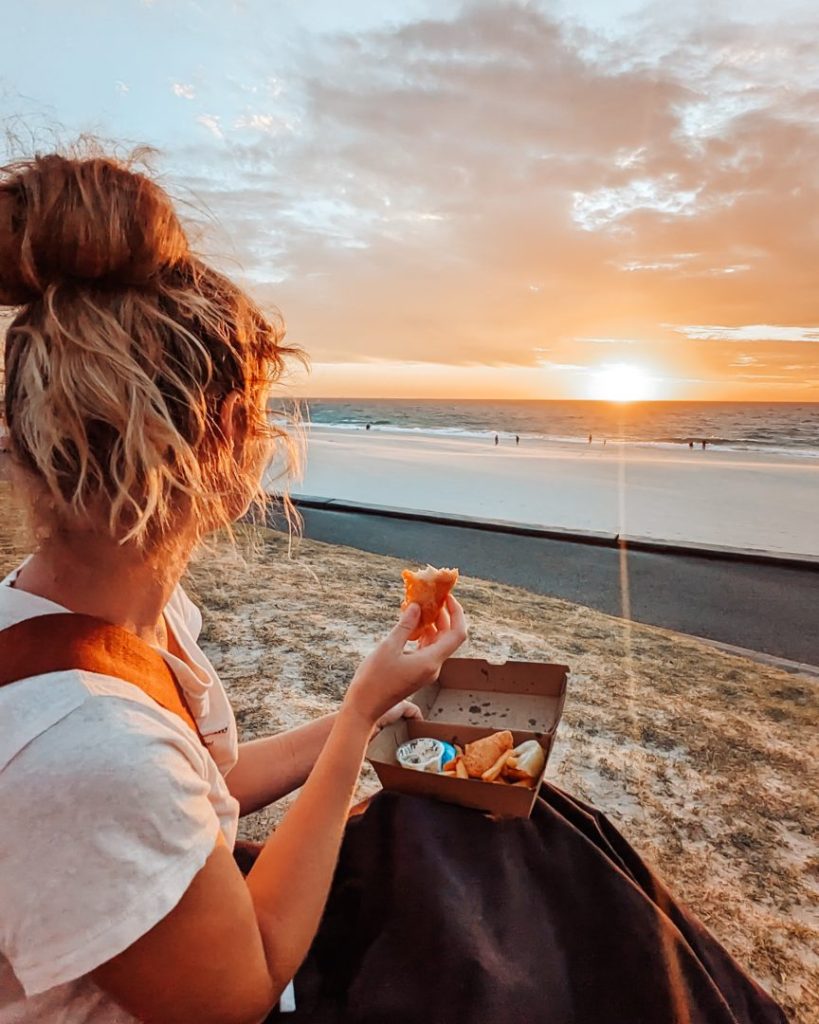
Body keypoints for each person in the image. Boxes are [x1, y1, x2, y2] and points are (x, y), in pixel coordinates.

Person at [0, 152, 784, 1024]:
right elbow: (242, 990)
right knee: (549, 923)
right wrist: (351, 744)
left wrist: (370, 708)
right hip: (251, 976)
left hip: (210, 914)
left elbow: (203, 785)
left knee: (522, 828)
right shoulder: (82, 749)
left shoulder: (85, 623)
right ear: (225, 433)